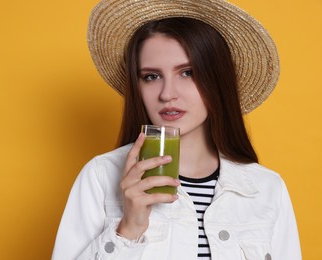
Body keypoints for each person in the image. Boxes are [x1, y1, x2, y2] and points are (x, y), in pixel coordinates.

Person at [52, 0, 301, 259]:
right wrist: (129, 229)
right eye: (151, 76)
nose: (167, 94)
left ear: (217, 80)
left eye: (188, 73)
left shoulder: (267, 188)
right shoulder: (101, 176)